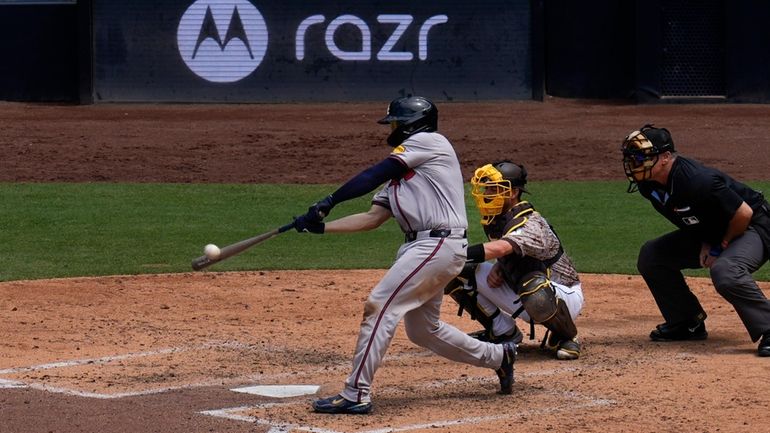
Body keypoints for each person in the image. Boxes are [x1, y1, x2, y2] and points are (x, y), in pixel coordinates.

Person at [292, 96, 516, 415]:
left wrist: (329, 200)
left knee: (379, 305)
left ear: (411, 124)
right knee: (423, 330)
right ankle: (500, 357)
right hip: (424, 248)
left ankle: (356, 393)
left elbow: (374, 172)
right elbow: (371, 218)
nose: (392, 129)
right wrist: (320, 227)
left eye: (396, 123)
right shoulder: (402, 180)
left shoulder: (430, 142)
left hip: (437, 245)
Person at [621, 124, 770, 357]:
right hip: (717, 229)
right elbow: (687, 216)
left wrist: (720, 246)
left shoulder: (698, 180)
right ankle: (687, 322)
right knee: (652, 256)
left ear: (666, 157)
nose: (635, 163)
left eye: (641, 156)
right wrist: (704, 239)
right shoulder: (648, 185)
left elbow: (743, 214)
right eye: (632, 157)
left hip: (754, 226)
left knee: (726, 270)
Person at [445, 161, 584, 360]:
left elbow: (502, 247)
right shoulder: (498, 220)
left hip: (563, 296)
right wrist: (500, 267)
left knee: (533, 286)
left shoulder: (531, 223)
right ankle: (502, 331)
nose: (486, 194)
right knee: (455, 269)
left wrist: (453, 252)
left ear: (512, 193)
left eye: (494, 189)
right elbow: (515, 254)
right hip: (524, 291)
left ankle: (567, 336)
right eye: (486, 188)